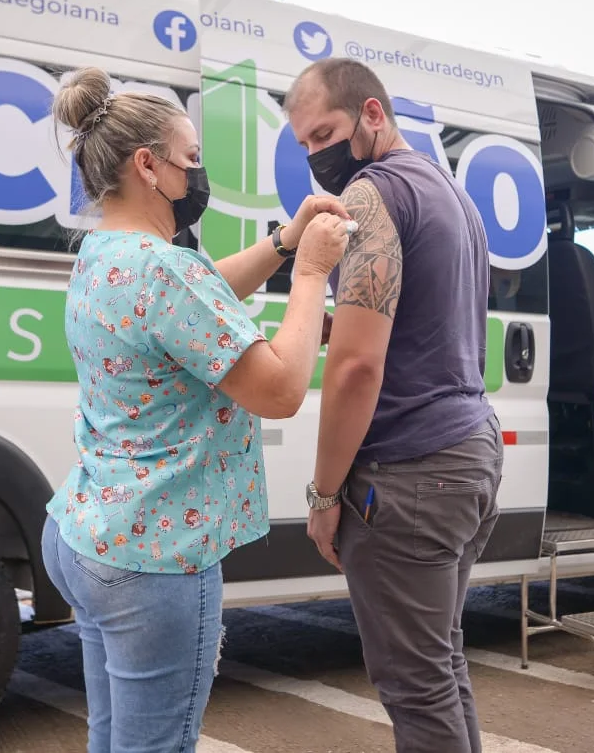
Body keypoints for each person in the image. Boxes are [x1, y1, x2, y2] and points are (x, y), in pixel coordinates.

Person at [40, 66, 351, 753]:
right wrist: (309, 275)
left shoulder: (104, 252)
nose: (198, 175)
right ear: (147, 165)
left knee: (114, 738)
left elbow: (197, 295)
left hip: (86, 534)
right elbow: (278, 390)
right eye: (193, 160)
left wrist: (283, 241)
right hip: (152, 560)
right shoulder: (163, 269)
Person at [284, 58, 504, 753]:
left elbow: (354, 368)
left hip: (409, 473)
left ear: (373, 114)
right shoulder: (450, 194)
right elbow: (426, 321)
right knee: (438, 669)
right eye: (302, 144)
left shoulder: (372, 194)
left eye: (324, 131)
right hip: (467, 452)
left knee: (416, 686)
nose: (316, 153)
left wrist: (323, 496)